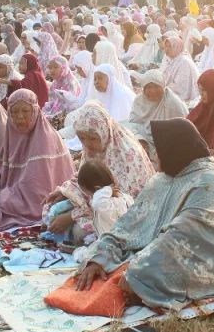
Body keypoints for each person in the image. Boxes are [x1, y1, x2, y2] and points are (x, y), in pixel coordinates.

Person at [73, 118, 214, 311]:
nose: (154, 155)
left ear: (175, 149)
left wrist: (138, 272)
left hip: (212, 259)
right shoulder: (162, 180)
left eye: (159, 149)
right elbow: (128, 224)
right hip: (164, 246)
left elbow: (185, 235)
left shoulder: (208, 182)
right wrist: (100, 257)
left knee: (139, 276)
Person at [0, 89, 75, 229]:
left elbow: (34, 195)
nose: (20, 117)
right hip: (11, 197)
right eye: (14, 112)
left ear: (34, 111)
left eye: (25, 111)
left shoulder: (43, 139)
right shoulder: (13, 135)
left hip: (33, 207)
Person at [42, 102, 155, 244]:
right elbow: (85, 177)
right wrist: (64, 191)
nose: (87, 144)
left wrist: (72, 216)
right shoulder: (93, 150)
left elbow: (119, 204)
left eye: (92, 138)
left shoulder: (126, 154)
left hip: (123, 215)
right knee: (55, 207)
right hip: (97, 202)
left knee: (79, 232)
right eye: (82, 138)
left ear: (104, 131)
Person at [121, 69, 188, 149]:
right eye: (148, 87)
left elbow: (183, 130)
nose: (152, 91)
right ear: (143, 88)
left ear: (163, 86)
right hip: (144, 138)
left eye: (156, 86)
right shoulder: (139, 100)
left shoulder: (172, 103)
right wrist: (140, 138)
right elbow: (133, 122)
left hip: (165, 142)